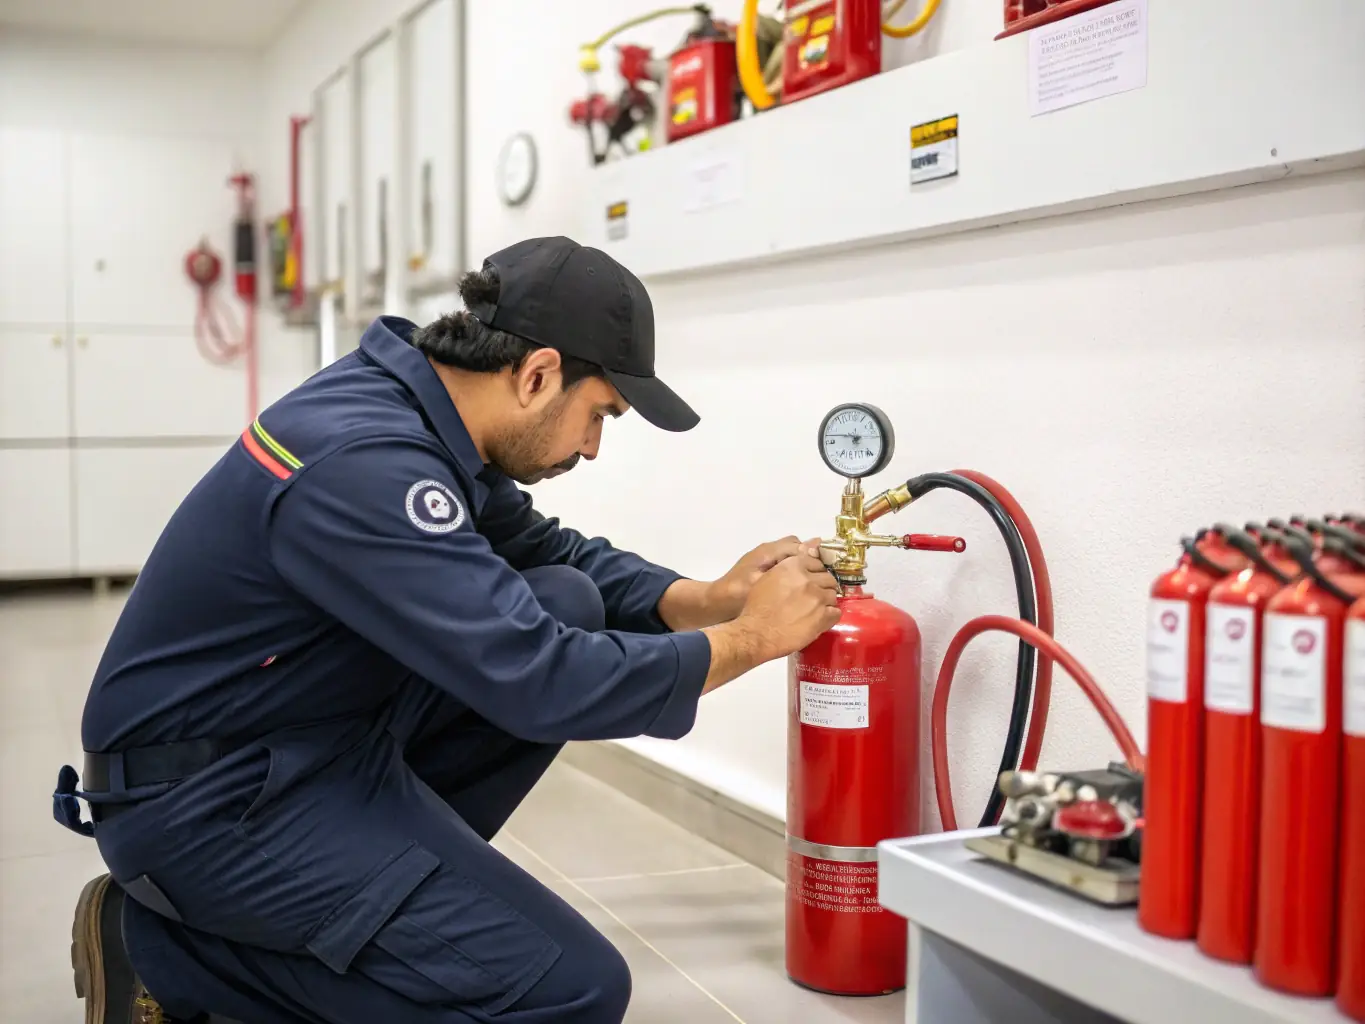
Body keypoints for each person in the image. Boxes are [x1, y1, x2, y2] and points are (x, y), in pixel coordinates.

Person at [53, 236, 841, 1024]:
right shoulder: (365, 460)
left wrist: (705, 598)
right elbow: (537, 677)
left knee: (563, 595)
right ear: (537, 375)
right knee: (568, 989)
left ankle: (375, 910)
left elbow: (544, 554)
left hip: (294, 742)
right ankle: (164, 953)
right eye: (599, 414)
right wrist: (746, 643)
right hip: (203, 803)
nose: (594, 448)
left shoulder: (417, 414)